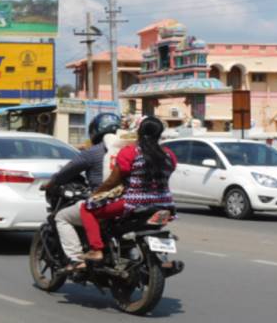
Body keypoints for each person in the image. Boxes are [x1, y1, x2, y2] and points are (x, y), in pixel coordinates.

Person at [77, 116, 177, 268]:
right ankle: (161, 257)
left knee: (87, 208)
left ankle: (96, 249)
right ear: (159, 134)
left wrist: (97, 193)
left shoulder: (131, 152)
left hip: (134, 202)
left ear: (139, 132)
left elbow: (113, 180)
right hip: (165, 204)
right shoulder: (169, 154)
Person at [43, 113, 121, 271]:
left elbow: (68, 171)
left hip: (104, 201)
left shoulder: (94, 152)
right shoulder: (129, 150)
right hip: (129, 201)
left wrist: (51, 183)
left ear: (95, 131)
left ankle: (75, 259)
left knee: (62, 217)